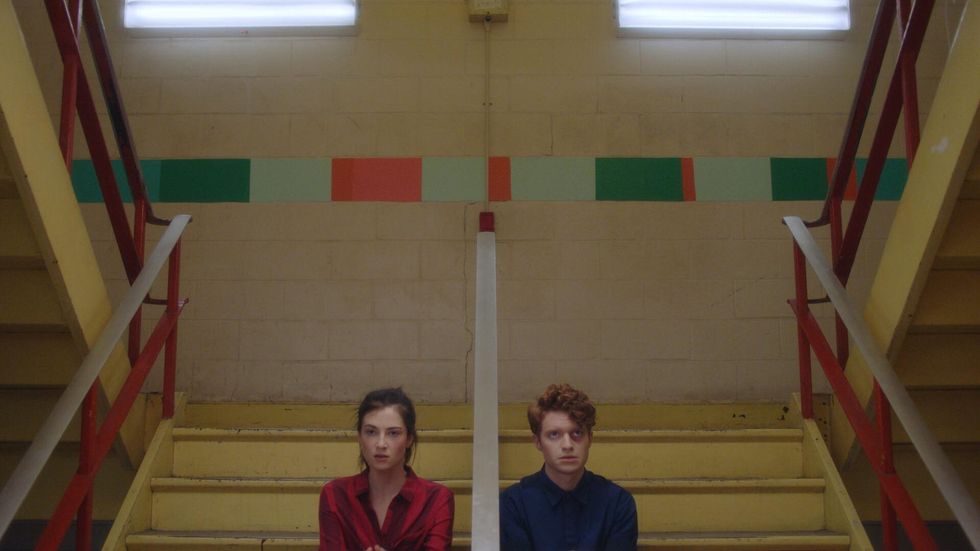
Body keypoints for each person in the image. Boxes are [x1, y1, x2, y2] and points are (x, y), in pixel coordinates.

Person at [500, 383, 638, 550]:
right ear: (538, 442)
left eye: (577, 433)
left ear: (590, 439)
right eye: (554, 434)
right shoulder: (513, 503)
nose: (567, 445)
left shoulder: (617, 502)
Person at [319, 387, 454, 551]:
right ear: (359, 437)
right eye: (371, 432)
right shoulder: (335, 495)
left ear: (409, 439)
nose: (381, 444)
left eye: (393, 433)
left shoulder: (436, 499)